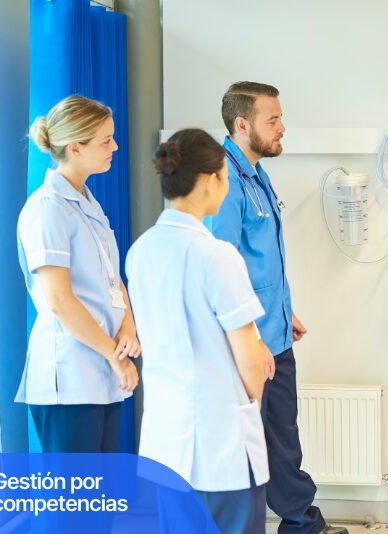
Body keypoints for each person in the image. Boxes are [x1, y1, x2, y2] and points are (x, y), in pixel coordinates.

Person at [208, 81, 345, 534]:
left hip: (275, 334)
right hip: (248, 344)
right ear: (242, 124)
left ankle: (300, 522)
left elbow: (261, 260)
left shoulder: (255, 173)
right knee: (245, 447)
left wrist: (285, 314)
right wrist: (249, 336)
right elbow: (222, 267)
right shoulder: (225, 180)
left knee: (283, 439)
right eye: (273, 119)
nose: (283, 127)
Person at [126, 129, 269, 533]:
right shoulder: (216, 255)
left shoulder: (141, 251)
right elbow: (248, 355)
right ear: (212, 181)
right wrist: (253, 399)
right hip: (220, 445)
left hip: (165, 443)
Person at [17, 95, 139, 453]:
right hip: (69, 380)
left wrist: (127, 327)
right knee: (75, 503)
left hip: (101, 372)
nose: (114, 146)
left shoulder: (88, 203)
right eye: (105, 140)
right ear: (75, 147)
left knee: (99, 497)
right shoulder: (47, 208)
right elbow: (59, 301)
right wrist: (115, 358)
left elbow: (111, 280)